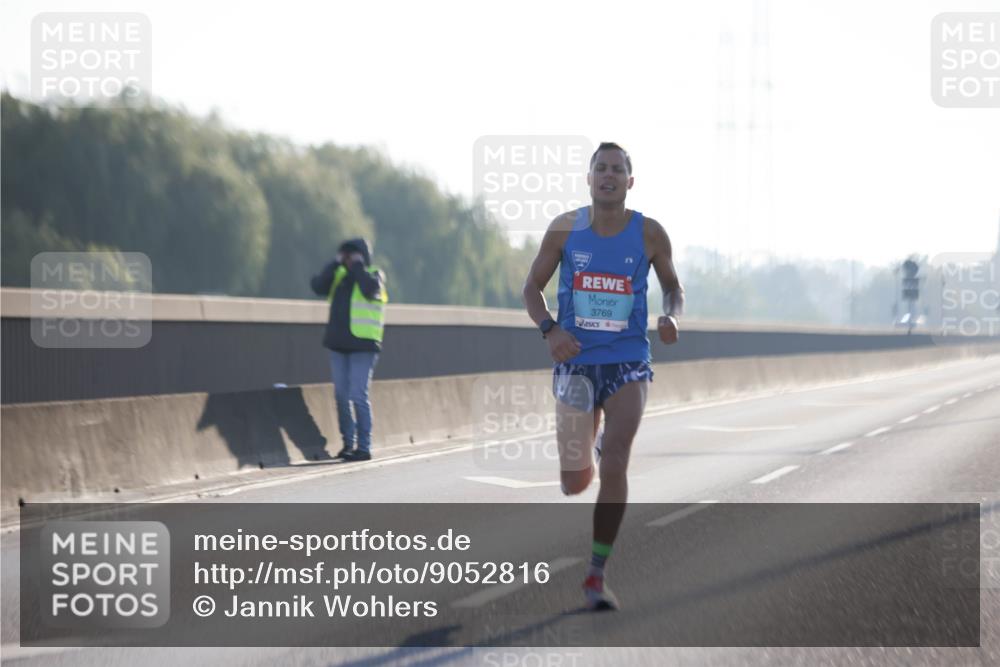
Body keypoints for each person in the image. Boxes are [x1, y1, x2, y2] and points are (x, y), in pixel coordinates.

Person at [522, 142, 683, 611]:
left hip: (628, 360)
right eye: (601, 169)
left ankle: (596, 573)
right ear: (589, 178)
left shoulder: (649, 233)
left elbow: (673, 287)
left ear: (630, 182)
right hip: (575, 360)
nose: (608, 176)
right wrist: (550, 329)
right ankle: (590, 447)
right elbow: (531, 287)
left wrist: (671, 316)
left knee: (615, 462)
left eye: (617, 170)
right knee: (574, 482)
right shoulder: (564, 228)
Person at [310, 238, 387, 462]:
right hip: (339, 344)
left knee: (358, 395)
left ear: (363, 256)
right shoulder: (339, 276)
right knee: (342, 396)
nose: (349, 259)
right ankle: (348, 444)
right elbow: (318, 286)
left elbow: (369, 290)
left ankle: (364, 447)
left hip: (363, 345)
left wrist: (358, 266)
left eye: (353, 254)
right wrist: (335, 263)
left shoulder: (374, 274)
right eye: (347, 255)